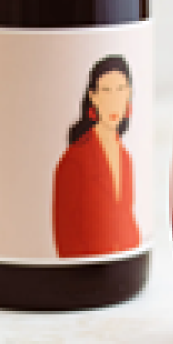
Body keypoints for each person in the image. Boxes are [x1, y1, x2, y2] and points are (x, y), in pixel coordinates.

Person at [53, 55, 141, 258]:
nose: (114, 100)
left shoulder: (126, 159)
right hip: (82, 272)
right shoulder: (74, 161)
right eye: (106, 91)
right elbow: (65, 237)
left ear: (128, 94)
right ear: (93, 97)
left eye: (120, 90)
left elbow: (126, 221)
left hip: (125, 264)